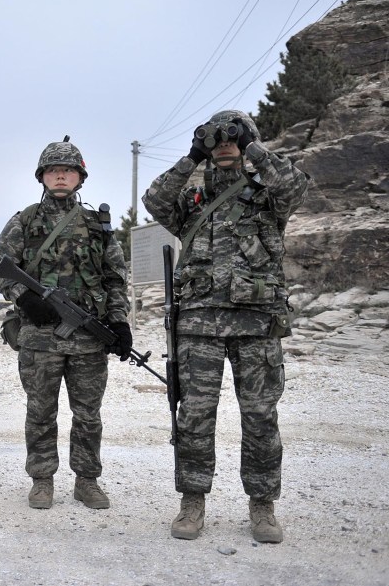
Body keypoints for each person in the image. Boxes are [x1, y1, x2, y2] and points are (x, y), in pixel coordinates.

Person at [142, 110, 309, 543]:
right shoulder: (191, 199)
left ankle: (262, 506)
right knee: (194, 418)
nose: (224, 145)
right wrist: (192, 156)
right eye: (217, 140)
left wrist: (251, 143)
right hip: (198, 326)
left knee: (260, 418)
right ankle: (192, 501)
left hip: (256, 324)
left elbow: (296, 186)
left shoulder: (267, 193)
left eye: (230, 138)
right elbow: (154, 200)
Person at [0, 139, 132, 511]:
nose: (60, 176)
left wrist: (119, 322)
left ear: (79, 177)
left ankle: (87, 480)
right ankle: (41, 480)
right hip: (39, 338)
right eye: (53, 171)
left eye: (67, 171)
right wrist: (25, 298)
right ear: (42, 176)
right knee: (40, 411)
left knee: (88, 414)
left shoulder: (97, 226)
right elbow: (0, 266)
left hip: (88, 337)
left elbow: (115, 276)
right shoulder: (25, 220)